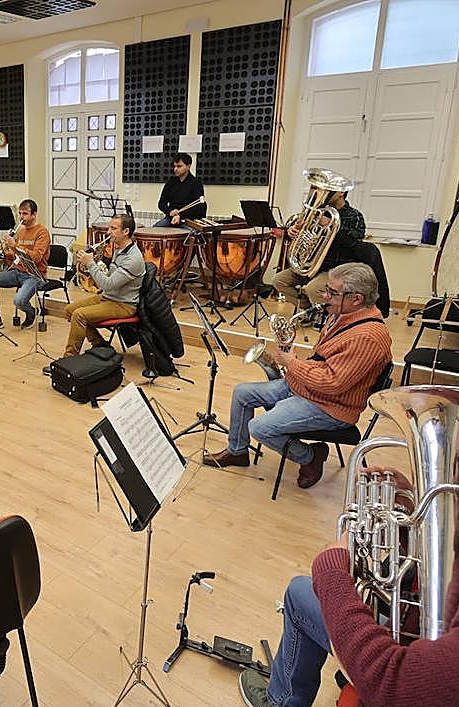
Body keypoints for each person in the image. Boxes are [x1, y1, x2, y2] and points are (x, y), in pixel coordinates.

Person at [239, 418, 459, 707]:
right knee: (301, 593)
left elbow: (397, 692)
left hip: (406, 696)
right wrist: (409, 519)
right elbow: (452, 585)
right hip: (434, 656)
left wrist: (334, 576)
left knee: (316, 588)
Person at [203, 263, 392, 488]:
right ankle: (237, 452)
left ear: (357, 299)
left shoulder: (367, 337)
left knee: (259, 427)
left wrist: (292, 363)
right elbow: (324, 362)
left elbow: (332, 383)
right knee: (242, 393)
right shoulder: (341, 315)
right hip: (309, 390)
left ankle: (311, 456)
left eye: (332, 293)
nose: (324, 296)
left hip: (331, 406)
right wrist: (292, 358)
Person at [46, 214, 144, 373]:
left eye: (113, 228)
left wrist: (91, 263)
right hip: (110, 297)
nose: (108, 232)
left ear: (126, 231)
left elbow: (108, 285)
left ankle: (67, 361)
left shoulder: (133, 259)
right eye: (109, 227)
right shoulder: (119, 249)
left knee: (79, 315)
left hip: (123, 304)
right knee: (69, 310)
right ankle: (100, 345)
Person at [271, 184, 369, 314]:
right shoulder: (317, 212)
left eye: (328, 190)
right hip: (311, 265)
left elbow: (354, 243)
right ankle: (311, 310)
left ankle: (329, 317)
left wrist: (331, 225)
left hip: (336, 268)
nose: (322, 193)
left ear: (341, 192)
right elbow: (301, 232)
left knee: (313, 289)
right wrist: (292, 232)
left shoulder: (354, 216)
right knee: (279, 281)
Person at [0, 199, 51, 329]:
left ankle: (32, 312)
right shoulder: (21, 232)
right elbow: (17, 257)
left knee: (19, 301)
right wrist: (4, 252)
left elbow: (36, 258)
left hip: (35, 275)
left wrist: (15, 245)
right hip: (17, 272)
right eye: (20, 213)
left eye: (25, 213)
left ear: (34, 215)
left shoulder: (42, 232)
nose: (21, 217)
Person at [154, 153, 206, 228]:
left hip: (189, 220)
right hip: (170, 218)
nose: (175, 169)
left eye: (179, 166)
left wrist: (180, 215)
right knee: (154, 231)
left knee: (191, 235)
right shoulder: (170, 182)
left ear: (188, 166)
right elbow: (161, 203)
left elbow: (199, 207)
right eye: (174, 166)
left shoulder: (196, 183)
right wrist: (170, 212)